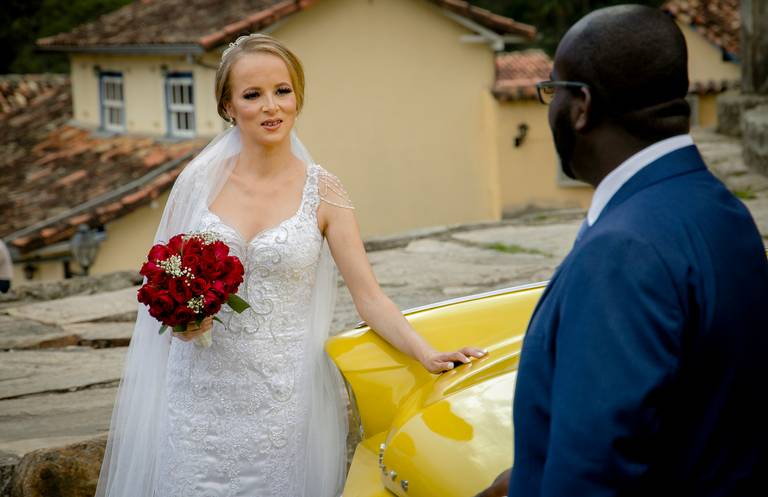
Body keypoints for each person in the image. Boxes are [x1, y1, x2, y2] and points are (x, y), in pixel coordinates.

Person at [95, 34, 485, 497]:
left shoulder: (324, 192)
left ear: (297, 96)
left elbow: (369, 296)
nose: (270, 107)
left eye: (282, 91)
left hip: (280, 400)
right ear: (227, 106)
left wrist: (426, 353)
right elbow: (162, 278)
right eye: (252, 94)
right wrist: (181, 319)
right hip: (198, 395)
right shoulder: (199, 182)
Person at [477, 5, 768, 497]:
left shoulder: (622, 252)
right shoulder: (723, 211)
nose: (548, 109)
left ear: (582, 105)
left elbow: (593, 476)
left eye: (552, 90)